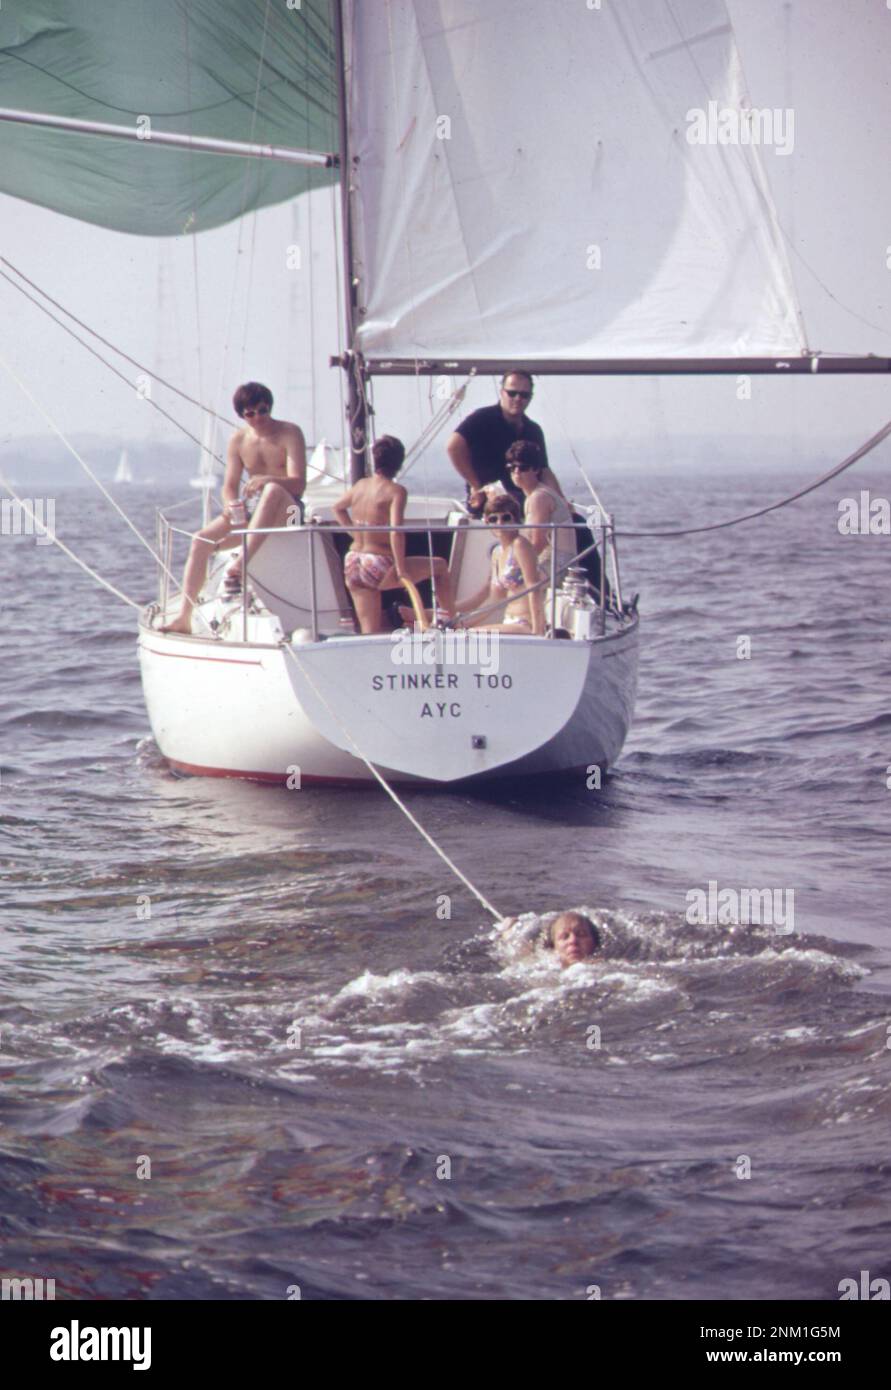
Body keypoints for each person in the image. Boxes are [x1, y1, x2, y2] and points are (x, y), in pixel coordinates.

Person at [161, 382, 306, 634]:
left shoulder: (290, 432)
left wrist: (267, 479)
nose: (258, 417)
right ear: (242, 415)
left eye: (263, 410)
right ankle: (183, 618)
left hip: (291, 513)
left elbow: (298, 484)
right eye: (251, 413)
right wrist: (231, 504)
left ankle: (240, 564)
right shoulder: (238, 440)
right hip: (253, 509)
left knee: (272, 490)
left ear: (269, 407)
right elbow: (229, 486)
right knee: (200, 540)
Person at [333, 435, 456, 635]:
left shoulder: (360, 485)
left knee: (369, 632)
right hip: (379, 563)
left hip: (353, 560)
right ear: (399, 462)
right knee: (440, 566)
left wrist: (356, 535)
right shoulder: (396, 491)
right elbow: (396, 532)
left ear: (375, 459)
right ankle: (452, 621)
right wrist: (401, 569)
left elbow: (337, 508)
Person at [446, 370, 564, 513]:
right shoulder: (481, 419)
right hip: (489, 501)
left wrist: (562, 502)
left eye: (524, 395)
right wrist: (476, 485)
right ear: (502, 392)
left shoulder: (533, 430)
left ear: (530, 398)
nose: (518, 398)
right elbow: (453, 447)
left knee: (575, 521)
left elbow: (544, 470)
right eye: (512, 393)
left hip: (526, 499)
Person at [457, 493, 544, 634]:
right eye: (493, 519)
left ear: (516, 519)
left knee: (469, 636)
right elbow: (494, 602)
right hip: (508, 621)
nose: (499, 523)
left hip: (526, 624)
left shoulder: (520, 545)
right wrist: (462, 623)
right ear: (487, 522)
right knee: (460, 634)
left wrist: (538, 631)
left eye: (506, 518)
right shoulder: (497, 553)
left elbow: (534, 587)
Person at [506, 440, 576, 582]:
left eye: (523, 467)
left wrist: (517, 569)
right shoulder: (534, 495)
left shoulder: (539, 497)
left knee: (510, 583)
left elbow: (539, 542)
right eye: (512, 467)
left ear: (536, 469)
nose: (517, 472)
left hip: (558, 565)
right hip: (552, 561)